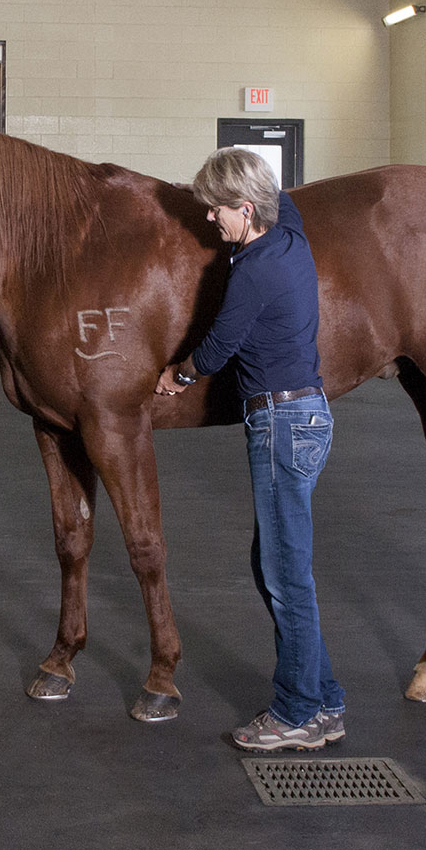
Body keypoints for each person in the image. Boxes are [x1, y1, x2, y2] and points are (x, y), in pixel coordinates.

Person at [155, 147, 347, 752]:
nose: (211, 221)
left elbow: (218, 348)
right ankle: (326, 701)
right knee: (277, 570)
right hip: (310, 418)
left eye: (217, 211)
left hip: (281, 425)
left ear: (246, 208)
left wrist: (176, 377)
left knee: (285, 577)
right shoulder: (291, 238)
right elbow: (279, 198)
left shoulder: (255, 268)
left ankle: (294, 715)